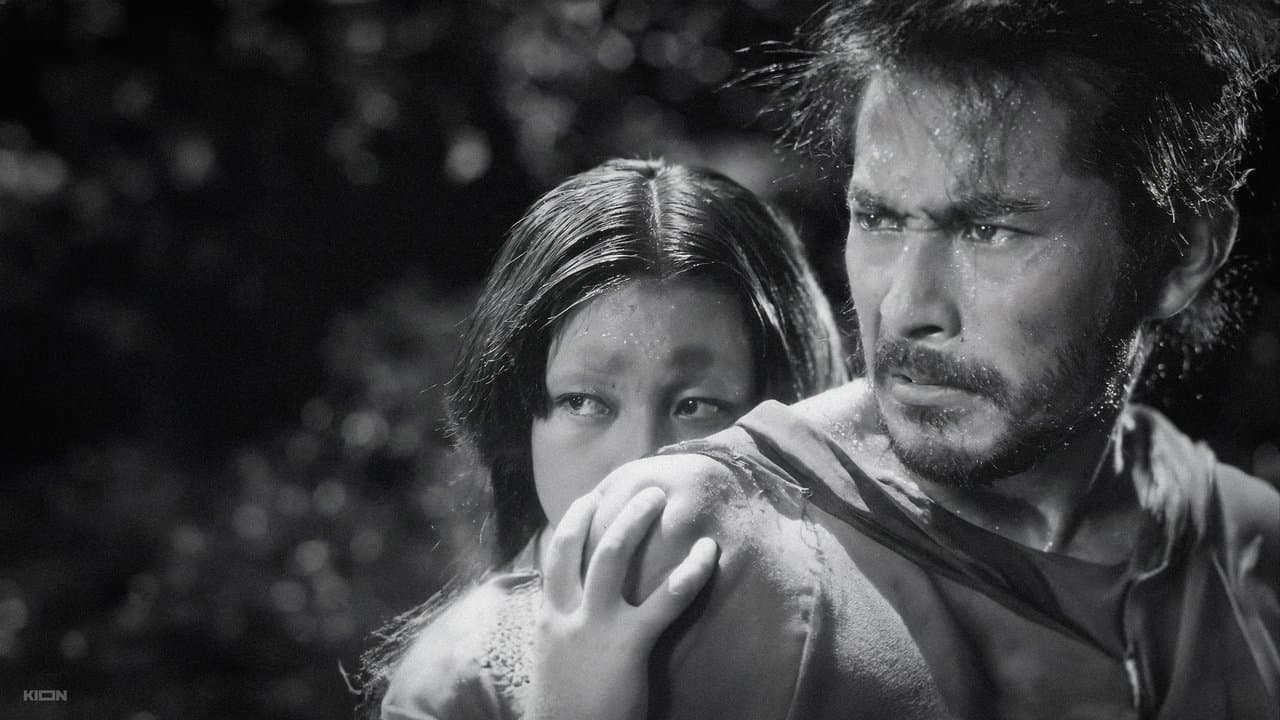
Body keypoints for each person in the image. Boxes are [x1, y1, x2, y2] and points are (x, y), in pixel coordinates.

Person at [566, 2, 1280, 719]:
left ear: (1182, 254)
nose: (906, 306)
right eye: (877, 219)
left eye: (990, 230)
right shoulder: (690, 543)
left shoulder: (1245, 546)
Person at [360, 158, 847, 719]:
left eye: (695, 407)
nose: (640, 463)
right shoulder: (453, 687)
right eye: (584, 402)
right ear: (521, 424)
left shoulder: (859, 624)